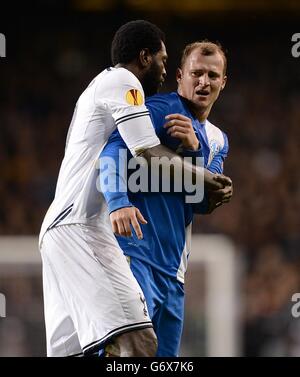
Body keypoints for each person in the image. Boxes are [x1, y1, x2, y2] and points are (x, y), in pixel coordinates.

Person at [100, 40, 233, 356]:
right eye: (196, 73)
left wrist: (193, 150)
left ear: (223, 82)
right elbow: (112, 150)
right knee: (123, 353)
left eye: (212, 76)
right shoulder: (161, 109)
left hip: (173, 272)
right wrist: (118, 202)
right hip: (135, 255)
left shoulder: (217, 140)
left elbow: (201, 200)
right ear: (179, 76)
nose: (203, 82)